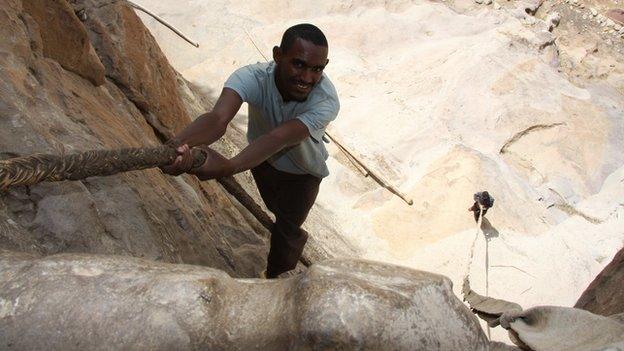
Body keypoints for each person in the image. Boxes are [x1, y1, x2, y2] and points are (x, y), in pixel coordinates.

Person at [162, 23, 340, 278]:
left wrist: (229, 166)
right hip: (263, 163)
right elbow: (217, 119)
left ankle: (276, 279)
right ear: (278, 55)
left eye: (317, 69)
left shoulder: (325, 100)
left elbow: (280, 137)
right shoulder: (251, 78)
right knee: (278, 212)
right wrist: (178, 146)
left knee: (287, 229)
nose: (307, 78)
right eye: (298, 64)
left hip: (303, 175)